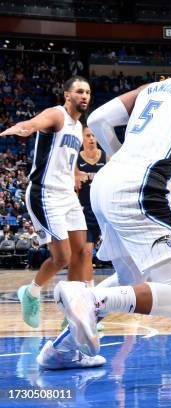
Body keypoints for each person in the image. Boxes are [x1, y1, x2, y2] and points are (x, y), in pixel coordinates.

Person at [37, 37, 171, 370]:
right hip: (141, 191)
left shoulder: (150, 90)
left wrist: (119, 157)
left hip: (108, 184)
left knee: (134, 283)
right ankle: (88, 295)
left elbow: (97, 119)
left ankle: (60, 351)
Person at [0, 76, 92, 328]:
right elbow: (35, 122)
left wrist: (74, 173)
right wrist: (24, 127)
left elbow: (70, 155)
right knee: (61, 257)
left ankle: (71, 313)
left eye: (88, 92)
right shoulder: (57, 115)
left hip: (67, 195)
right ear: (67, 95)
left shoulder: (78, 125)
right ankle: (30, 293)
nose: (84, 96)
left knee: (82, 253)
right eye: (79, 91)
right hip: (45, 194)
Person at [75, 127, 108, 284]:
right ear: (82, 138)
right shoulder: (76, 159)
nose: (92, 138)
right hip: (86, 210)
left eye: (94, 135)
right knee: (87, 252)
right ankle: (89, 287)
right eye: (88, 135)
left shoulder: (106, 157)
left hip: (104, 209)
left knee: (119, 251)